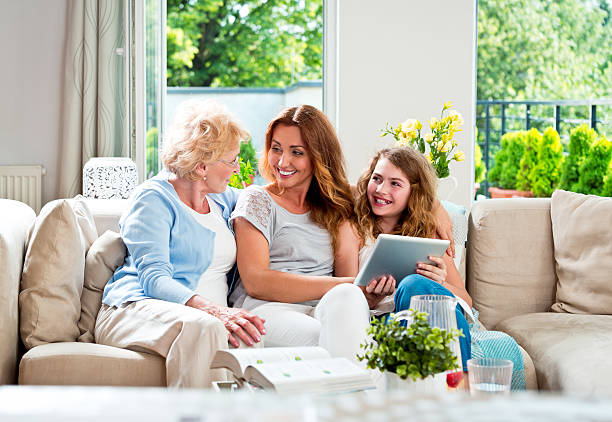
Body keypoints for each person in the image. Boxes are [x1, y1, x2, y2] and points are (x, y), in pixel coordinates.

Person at [95, 100, 265, 388]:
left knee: (248, 334)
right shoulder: (153, 199)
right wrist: (215, 311)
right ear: (202, 167)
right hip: (135, 308)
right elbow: (154, 279)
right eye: (231, 160)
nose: (237, 169)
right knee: (205, 327)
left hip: (203, 319)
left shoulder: (223, 199)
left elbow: (267, 201)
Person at [334, 147, 472, 370]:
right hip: (382, 320)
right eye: (376, 178)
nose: (381, 189)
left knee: (420, 288)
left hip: (429, 316)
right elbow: (344, 297)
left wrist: (439, 283)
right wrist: (372, 298)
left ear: (413, 193)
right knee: (413, 286)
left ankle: (450, 388)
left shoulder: (427, 233)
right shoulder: (352, 229)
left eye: (395, 184)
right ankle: (460, 388)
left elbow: (466, 299)